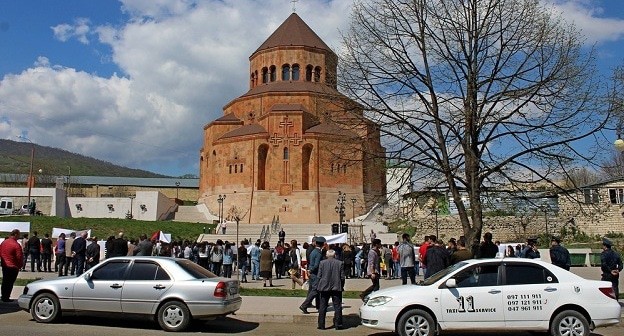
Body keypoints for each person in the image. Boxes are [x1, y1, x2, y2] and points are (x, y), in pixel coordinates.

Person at [316, 248, 345, 330]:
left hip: (324, 287)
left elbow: (319, 276)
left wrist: (318, 285)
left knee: (323, 306)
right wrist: (341, 286)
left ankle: (321, 325)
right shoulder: (340, 263)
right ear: (335, 255)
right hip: (337, 287)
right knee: (337, 306)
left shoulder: (322, 263)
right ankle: (338, 324)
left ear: (326, 255)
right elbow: (342, 277)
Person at [300, 236, 325, 314]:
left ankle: (319, 306)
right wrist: (311, 270)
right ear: (322, 244)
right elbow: (317, 265)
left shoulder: (313, 251)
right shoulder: (318, 253)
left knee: (314, 289)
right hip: (315, 273)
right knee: (315, 290)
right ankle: (304, 305)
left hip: (312, 273)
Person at [0, 229, 24, 302]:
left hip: (4, 265)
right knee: (10, 282)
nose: (19, 236)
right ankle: (6, 297)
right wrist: (20, 265)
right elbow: (19, 257)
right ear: (16, 234)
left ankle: (3, 296)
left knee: (5, 281)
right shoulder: (16, 245)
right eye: (19, 234)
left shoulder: (4, 242)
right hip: (13, 266)